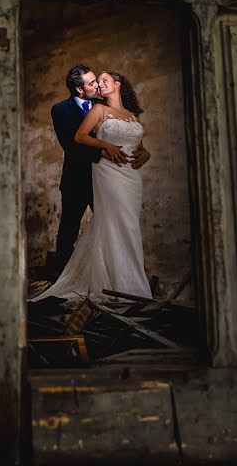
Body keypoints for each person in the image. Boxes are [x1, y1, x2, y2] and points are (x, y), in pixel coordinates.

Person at [35, 71, 152, 302]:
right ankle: (94, 281)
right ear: (79, 88)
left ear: (118, 85)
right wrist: (105, 146)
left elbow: (137, 143)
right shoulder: (82, 110)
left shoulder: (127, 113)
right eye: (94, 82)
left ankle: (124, 280)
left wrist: (145, 152)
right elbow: (76, 139)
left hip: (129, 177)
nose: (97, 85)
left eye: (101, 81)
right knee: (76, 226)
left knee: (121, 226)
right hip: (95, 174)